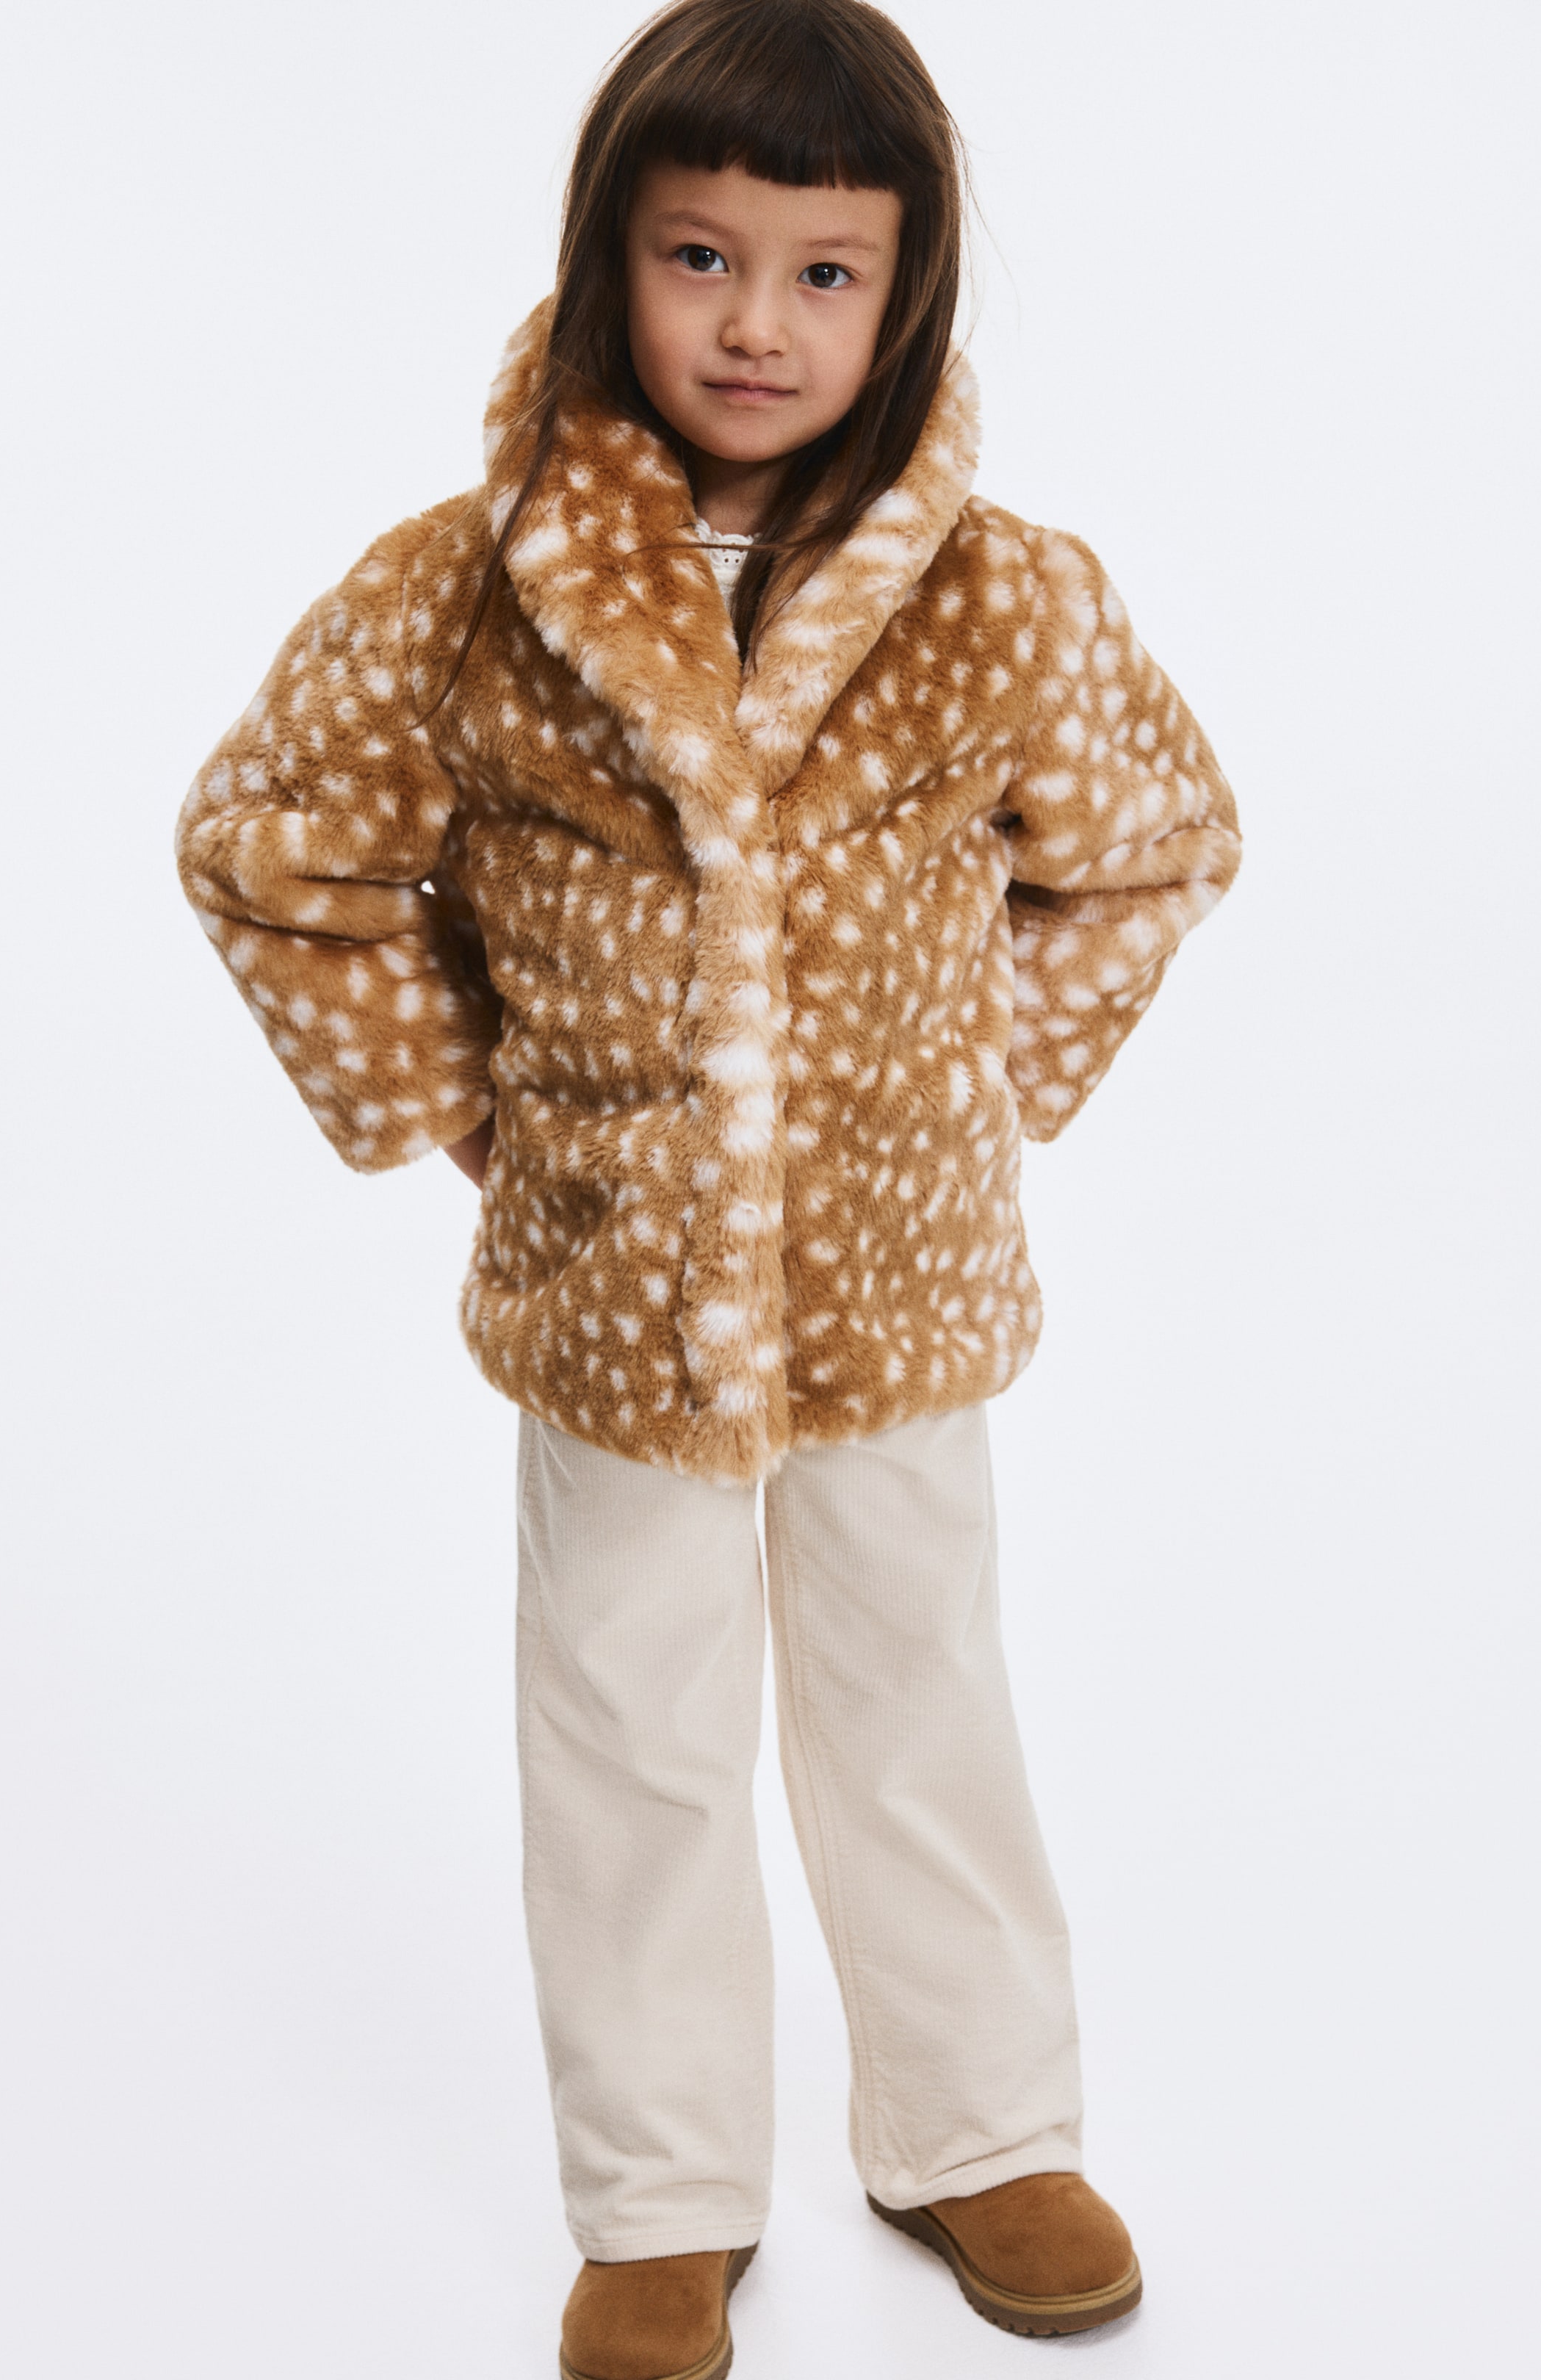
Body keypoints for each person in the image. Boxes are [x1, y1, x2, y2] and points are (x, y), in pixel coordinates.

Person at [175, 1, 1241, 2370]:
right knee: (631, 1728)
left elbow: (1158, 842)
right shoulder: (467, 591)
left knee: (920, 1701)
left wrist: (985, 1084)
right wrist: (462, 1102)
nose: (759, 323)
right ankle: (659, 2189)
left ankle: (976, 2130)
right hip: (614, 1294)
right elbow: (270, 850)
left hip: (902, 1287)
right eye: (700, 258)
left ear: (905, 293)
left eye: (824, 274)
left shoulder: (1007, 597)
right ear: (609, 260)